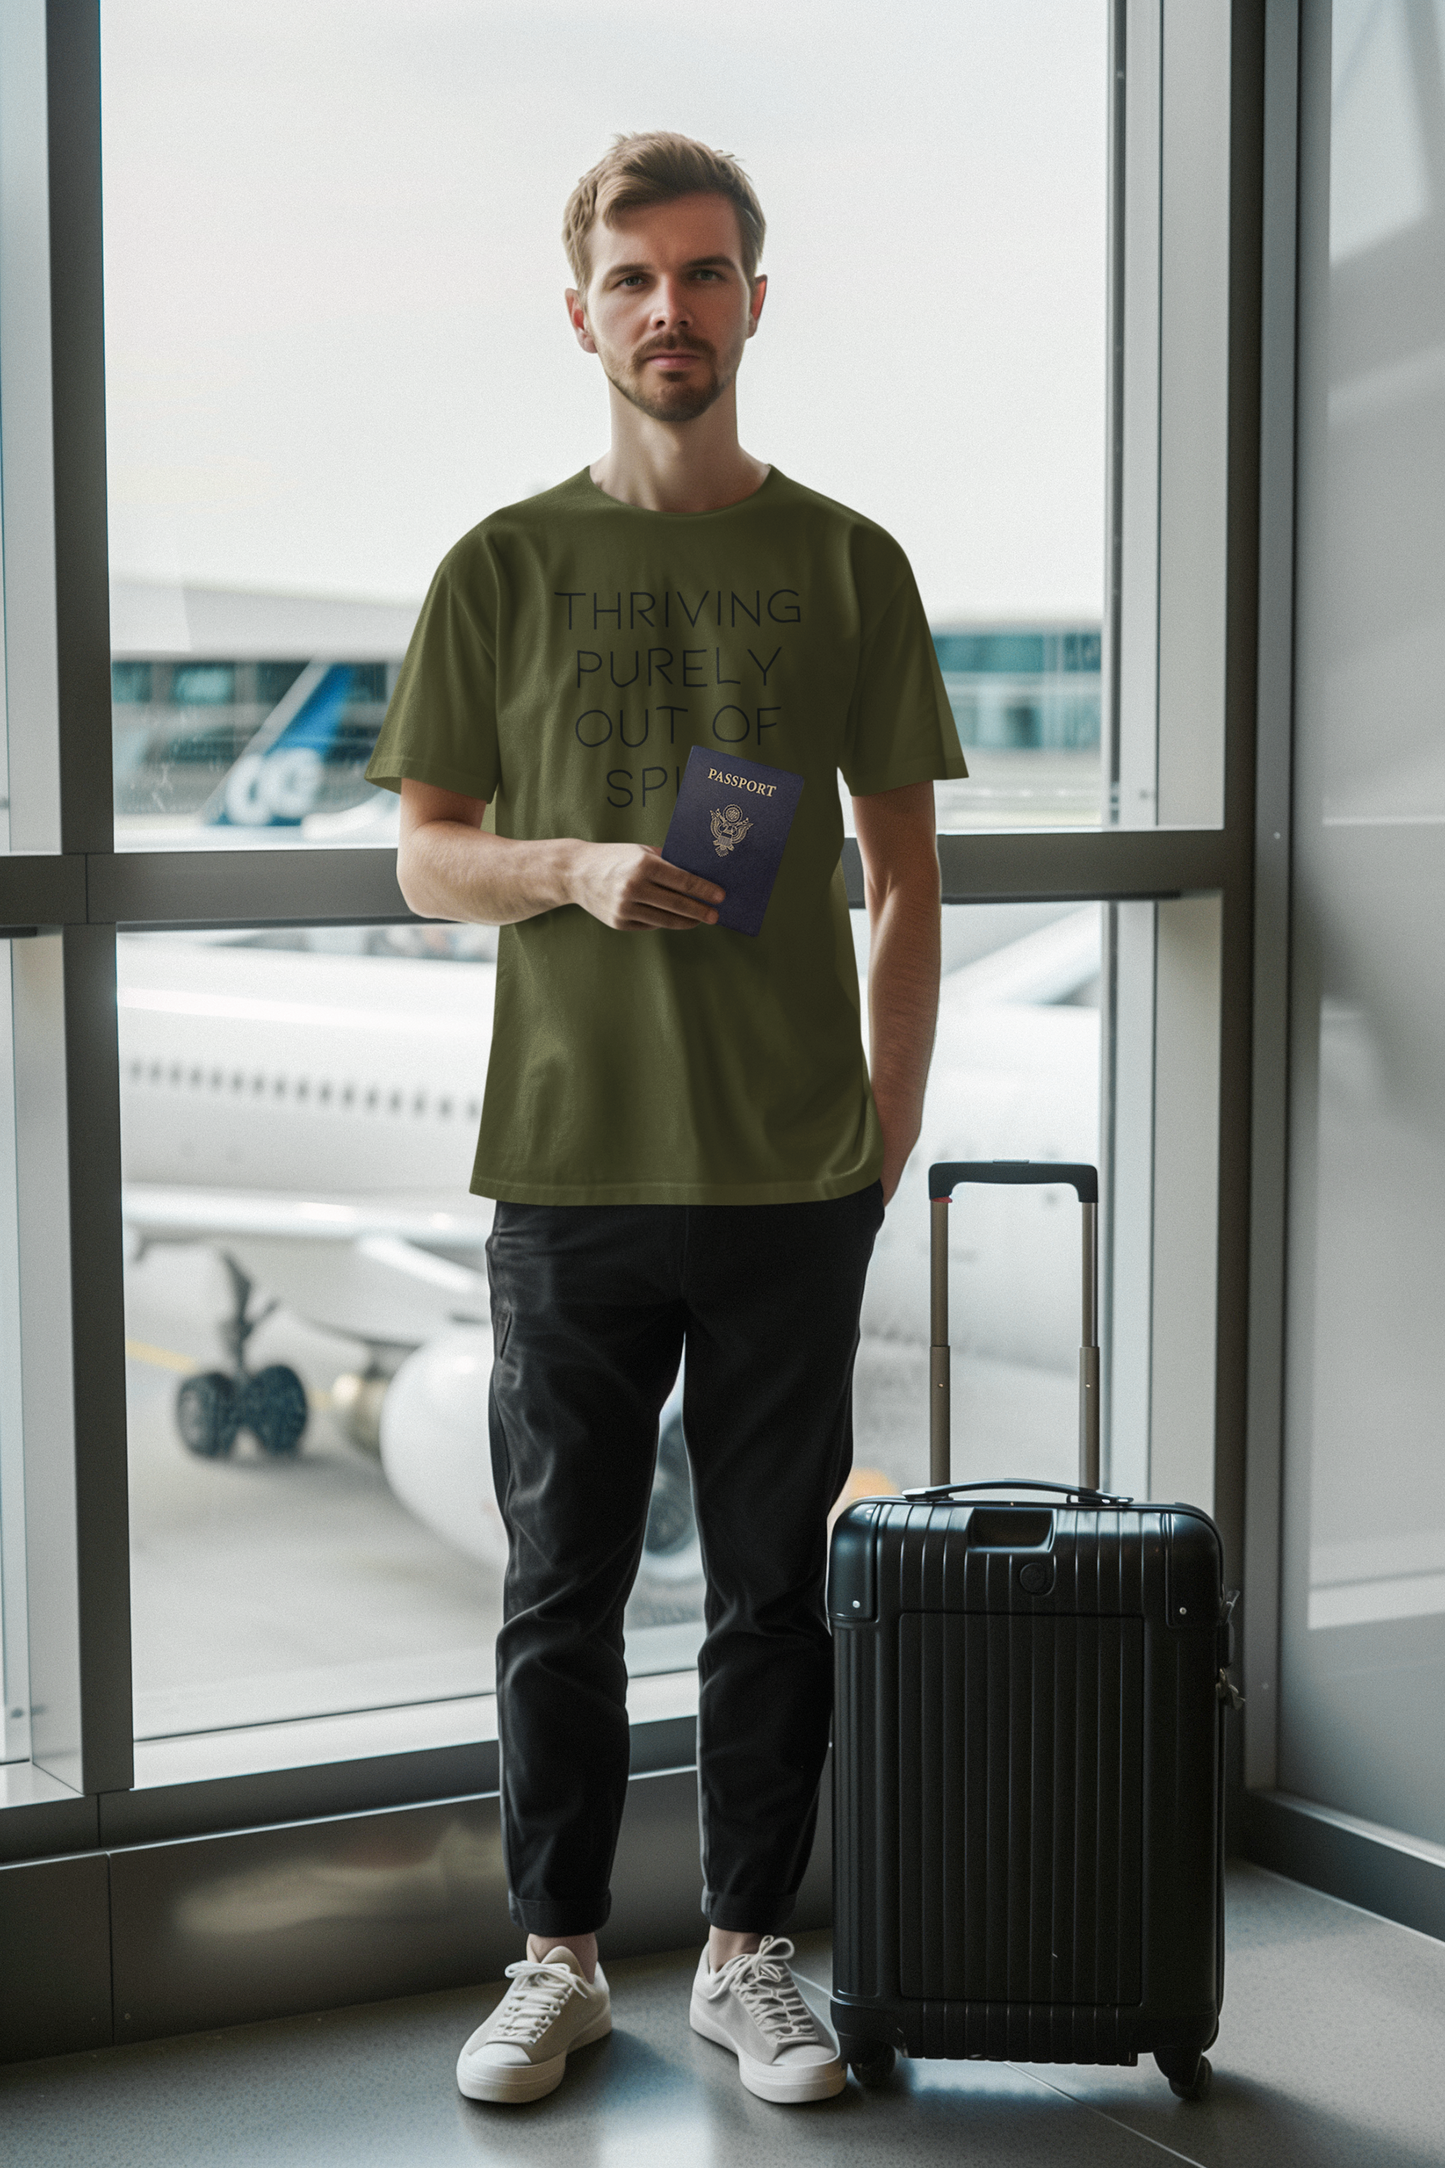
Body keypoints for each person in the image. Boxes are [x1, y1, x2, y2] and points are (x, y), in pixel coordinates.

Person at [365, 130, 966, 2108]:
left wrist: (879, 1135)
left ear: (753, 302)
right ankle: (553, 1958)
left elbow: (905, 881)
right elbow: (424, 859)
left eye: (703, 274)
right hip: (568, 1167)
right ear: (581, 314)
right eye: (632, 278)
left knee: (775, 1590)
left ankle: (742, 1953)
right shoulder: (501, 566)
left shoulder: (847, 564)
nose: (669, 310)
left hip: (793, 1176)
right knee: (563, 1588)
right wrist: (575, 867)